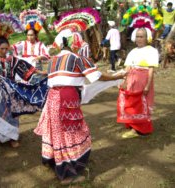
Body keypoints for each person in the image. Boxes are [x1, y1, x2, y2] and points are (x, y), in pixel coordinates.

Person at [34, 36, 125, 185]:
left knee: (56, 133)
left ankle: (52, 160)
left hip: (52, 100)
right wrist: (118, 76)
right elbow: (97, 76)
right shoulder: (78, 59)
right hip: (66, 100)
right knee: (70, 133)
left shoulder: (53, 60)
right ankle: (67, 173)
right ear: (75, 45)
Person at [0, 36, 47, 150]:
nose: (5, 51)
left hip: (9, 90)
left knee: (11, 113)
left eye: (7, 49)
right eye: (2, 48)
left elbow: (27, 69)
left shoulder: (13, 60)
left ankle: (13, 137)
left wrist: (41, 72)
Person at [117, 27, 159, 138]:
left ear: (147, 38)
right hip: (132, 79)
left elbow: (151, 70)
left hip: (143, 79)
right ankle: (133, 126)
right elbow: (128, 68)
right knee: (131, 103)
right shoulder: (133, 52)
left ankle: (139, 129)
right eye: (137, 36)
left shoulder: (152, 51)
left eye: (142, 36)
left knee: (142, 103)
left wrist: (147, 86)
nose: (139, 39)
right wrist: (123, 81)